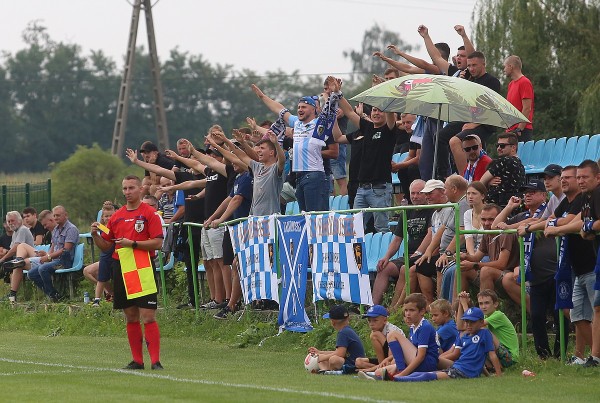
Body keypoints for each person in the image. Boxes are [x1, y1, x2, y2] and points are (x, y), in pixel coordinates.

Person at [91, 175, 164, 370]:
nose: (127, 192)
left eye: (131, 188)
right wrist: (95, 235)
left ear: (140, 189)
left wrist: (132, 244)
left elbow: (158, 242)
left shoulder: (149, 213)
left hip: (143, 266)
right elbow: (107, 246)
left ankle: (155, 361)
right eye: (124, 188)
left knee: (148, 316)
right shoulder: (117, 216)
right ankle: (137, 361)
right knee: (131, 316)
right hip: (121, 267)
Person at [251, 83, 337, 212]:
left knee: (315, 217)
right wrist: (262, 96)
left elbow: (330, 112)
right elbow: (279, 109)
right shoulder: (296, 123)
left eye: (304, 107)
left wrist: (334, 94)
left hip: (314, 175)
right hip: (299, 177)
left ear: (313, 109)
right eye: (298, 107)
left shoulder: (318, 123)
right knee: (305, 216)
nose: (300, 109)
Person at [333, 76, 396, 232]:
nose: (376, 113)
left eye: (380, 110)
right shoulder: (367, 127)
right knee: (355, 229)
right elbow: (349, 111)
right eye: (374, 110)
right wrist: (338, 94)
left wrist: (385, 91)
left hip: (380, 188)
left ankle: (385, 249)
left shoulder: (389, 130)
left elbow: (390, 113)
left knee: (381, 228)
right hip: (362, 189)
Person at [543, 165, 592, 363]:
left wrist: (556, 228)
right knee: (576, 314)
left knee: (592, 312)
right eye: (562, 177)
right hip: (576, 266)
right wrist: (529, 227)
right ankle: (587, 356)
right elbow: (551, 220)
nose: (564, 180)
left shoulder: (585, 199)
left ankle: (590, 356)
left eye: (570, 177)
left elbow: (576, 221)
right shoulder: (566, 201)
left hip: (591, 264)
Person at [390, 307, 502, 381]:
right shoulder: (464, 336)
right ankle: (396, 377)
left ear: (481, 322)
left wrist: (498, 374)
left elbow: (491, 355)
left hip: (464, 371)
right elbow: (475, 359)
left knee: (429, 376)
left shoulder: (484, 333)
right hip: (457, 367)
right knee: (429, 373)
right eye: (467, 321)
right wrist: (487, 375)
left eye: (472, 322)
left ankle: (398, 378)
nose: (468, 325)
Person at [373, 179, 432, 306]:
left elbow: (430, 235)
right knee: (384, 268)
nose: (415, 196)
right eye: (413, 193)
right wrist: (386, 257)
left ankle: (395, 308)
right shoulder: (407, 211)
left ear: (426, 193)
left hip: (424, 255)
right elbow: (397, 239)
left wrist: (417, 253)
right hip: (407, 255)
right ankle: (373, 307)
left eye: (419, 193)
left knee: (405, 269)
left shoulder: (432, 210)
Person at [359, 293, 438, 380]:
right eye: (406, 310)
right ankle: (377, 374)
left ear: (422, 311)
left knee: (392, 334)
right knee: (379, 372)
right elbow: (410, 350)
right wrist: (389, 359)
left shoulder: (425, 326)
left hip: (426, 364)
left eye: (412, 310)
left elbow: (421, 356)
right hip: (417, 361)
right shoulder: (413, 327)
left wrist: (403, 373)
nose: (408, 314)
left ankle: (400, 371)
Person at [458, 203, 519, 294]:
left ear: (500, 218)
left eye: (491, 219)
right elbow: (476, 257)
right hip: (496, 273)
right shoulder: (487, 234)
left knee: (486, 271)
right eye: (483, 219)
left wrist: (474, 265)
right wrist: (464, 256)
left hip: (509, 275)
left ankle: (486, 302)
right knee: (461, 269)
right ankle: (459, 302)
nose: (486, 223)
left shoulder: (506, 234)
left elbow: (501, 264)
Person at [27, 206, 79, 301]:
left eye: (58, 215)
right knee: (31, 274)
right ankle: (54, 294)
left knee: (43, 269)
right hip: (55, 261)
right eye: (54, 215)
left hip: (65, 261)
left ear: (66, 215)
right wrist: (47, 256)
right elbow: (53, 246)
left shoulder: (71, 229)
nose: (56, 218)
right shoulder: (55, 230)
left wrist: (49, 257)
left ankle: (54, 296)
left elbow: (65, 249)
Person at [576, 159, 600, 367]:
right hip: (596, 255)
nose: (581, 181)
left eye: (585, 177)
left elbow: (590, 226)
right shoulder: (586, 197)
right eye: (579, 177)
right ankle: (595, 357)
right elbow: (586, 229)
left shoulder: (598, 194)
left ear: (597, 177)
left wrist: (589, 227)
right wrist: (587, 229)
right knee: (597, 307)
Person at [467, 289, 519, 368]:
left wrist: (464, 304)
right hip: (499, 353)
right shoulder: (485, 316)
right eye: (481, 304)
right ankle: (489, 367)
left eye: (487, 303)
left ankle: (495, 367)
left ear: (495, 304)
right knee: (473, 333)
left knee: (482, 329)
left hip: (510, 357)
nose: (483, 307)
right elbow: (465, 326)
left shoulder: (498, 315)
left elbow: (474, 325)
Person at [308, 305, 365, 373]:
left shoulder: (343, 332)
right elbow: (338, 352)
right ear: (348, 318)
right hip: (351, 361)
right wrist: (320, 352)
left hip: (353, 364)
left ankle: (327, 371)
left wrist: (323, 357)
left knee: (333, 359)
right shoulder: (347, 330)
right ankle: (325, 371)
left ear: (332, 322)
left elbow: (340, 354)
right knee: (324, 359)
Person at [83, 202, 116, 306]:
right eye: (106, 216)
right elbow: (101, 227)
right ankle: (97, 299)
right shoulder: (102, 227)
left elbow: (109, 232)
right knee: (101, 278)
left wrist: (99, 225)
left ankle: (114, 295)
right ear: (102, 217)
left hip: (115, 256)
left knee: (114, 277)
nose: (109, 218)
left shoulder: (114, 227)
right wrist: (96, 227)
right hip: (105, 256)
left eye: (111, 215)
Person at [480, 132, 525, 207]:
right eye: (497, 145)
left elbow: (481, 183)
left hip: (496, 207)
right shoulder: (520, 164)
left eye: (502, 146)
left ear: (513, 147)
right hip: (514, 207)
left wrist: (487, 183)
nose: (499, 148)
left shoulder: (503, 161)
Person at [355, 305, 404, 371]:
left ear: (385, 320)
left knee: (375, 335)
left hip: (396, 359)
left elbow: (392, 357)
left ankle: (380, 369)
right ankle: (381, 368)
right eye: (369, 321)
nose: (371, 324)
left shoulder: (392, 331)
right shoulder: (377, 329)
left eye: (375, 320)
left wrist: (371, 369)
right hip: (385, 360)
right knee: (358, 362)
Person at [503, 55, 534, 142]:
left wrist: (519, 129)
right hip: (511, 130)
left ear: (511, 67)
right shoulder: (511, 84)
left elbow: (527, 108)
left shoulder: (524, 82)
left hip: (521, 131)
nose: (504, 69)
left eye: (505, 66)